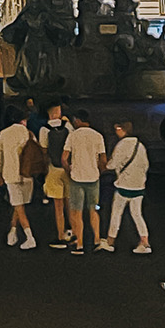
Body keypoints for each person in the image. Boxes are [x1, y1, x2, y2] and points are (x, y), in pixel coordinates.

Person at [0, 106, 40, 249]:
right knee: (19, 205)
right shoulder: (29, 134)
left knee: (18, 206)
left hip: (11, 174)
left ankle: (29, 237)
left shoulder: (4, 134)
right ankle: (12, 232)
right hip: (27, 174)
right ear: (23, 120)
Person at [63, 108, 107, 255]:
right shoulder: (98, 136)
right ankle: (97, 240)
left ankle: (80, 244)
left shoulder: (73, 136)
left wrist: (70, 171)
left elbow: (64, 158)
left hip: (77, 178)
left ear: (77, 120)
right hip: (93, 178)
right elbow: (103, 159)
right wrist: (99, 172)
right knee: (94, 210)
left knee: (76, 212)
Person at [103, 118, 151, 253]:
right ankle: (145, 242)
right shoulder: (140, 146)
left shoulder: (121, 145)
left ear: (120, 129)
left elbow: (112, 165)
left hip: (123, 186)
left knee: (116, 214)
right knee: (137, 214)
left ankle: (110, 241)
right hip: (139, 186)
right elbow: (145, 165)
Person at [39, 102, 72, 248]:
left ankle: (60, 236)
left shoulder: (44, 129)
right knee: (69, 203)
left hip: (53, 169)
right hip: (68, 169)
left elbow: (44, 151)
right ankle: (73, 232)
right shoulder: (68, 127)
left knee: (58, 206)